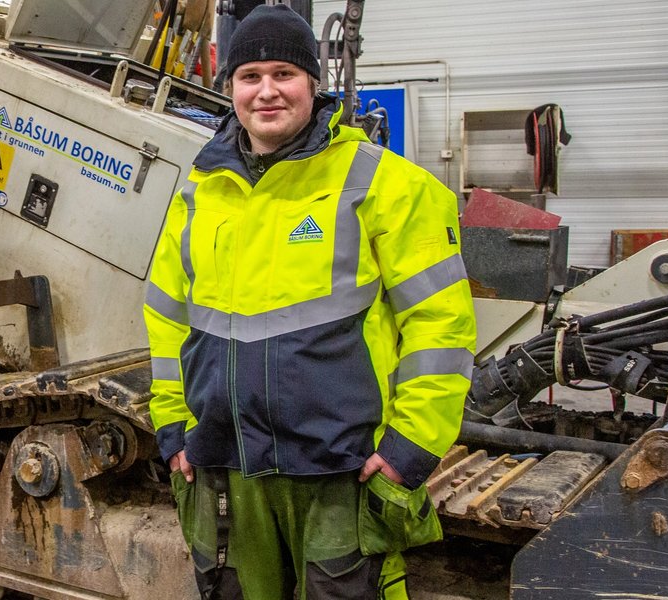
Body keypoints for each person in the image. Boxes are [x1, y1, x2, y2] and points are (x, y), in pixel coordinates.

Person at [143, 5, 476, 599]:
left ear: (313, 85)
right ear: (231, 89)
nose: (266, 91)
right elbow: (168, 317)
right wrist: (172, 426)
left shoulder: (386, 185)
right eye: (250, 76)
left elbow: (441, 329)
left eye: (283, 74)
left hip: (340, 474)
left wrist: (410, 449)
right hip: (227, 468)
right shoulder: (199, 193)